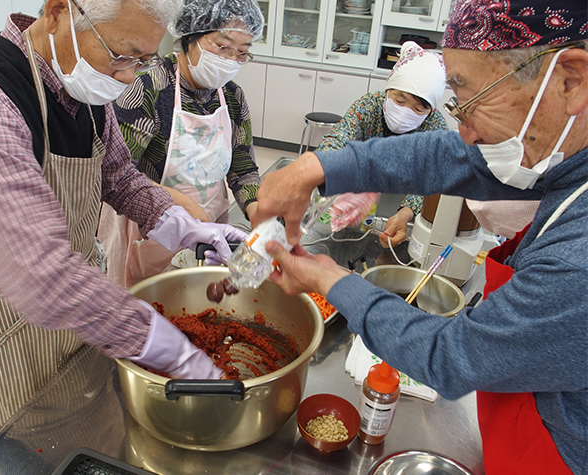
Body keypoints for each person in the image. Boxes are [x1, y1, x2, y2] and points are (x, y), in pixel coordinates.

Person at [254, 0, 587, 473]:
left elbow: (453, 357)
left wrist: (331, 281)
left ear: (570, 80)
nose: (464, 131)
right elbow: (453, 158)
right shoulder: (565, 146)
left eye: (470, 97)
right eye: (456, 103)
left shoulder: (579, 261)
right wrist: (318, 166)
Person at [0, 0, 248, 447]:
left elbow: (120, 176)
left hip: (80, 307)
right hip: (7, 328)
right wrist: (168, 348)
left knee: (92, 438)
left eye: (146, 60)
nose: (129, 76)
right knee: (35, 452)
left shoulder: (85, 88)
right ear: (57, 13)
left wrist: (179, 225)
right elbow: (39, 276)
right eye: (122, 55)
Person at [97, 0, 263, 288]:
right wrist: (187, 209)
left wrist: (257, 210)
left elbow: (242, 167)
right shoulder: (147, 87)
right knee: (149, 304)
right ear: (191, 35)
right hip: (149, 228)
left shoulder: (233, 98)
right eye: (223, 47)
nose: (231, 59)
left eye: (242, 53)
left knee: (200, 303)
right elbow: (119, 174)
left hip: (212, 221)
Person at [317, 41, 448, 247]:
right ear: (388, 89)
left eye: (418, 108)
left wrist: (405, 215)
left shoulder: (436, 127)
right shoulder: (369, 106)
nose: (405, 111)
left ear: (430, 111)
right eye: (400, 99)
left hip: (401, 198)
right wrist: (323, 171)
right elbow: (338, 138)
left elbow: (434, 177)